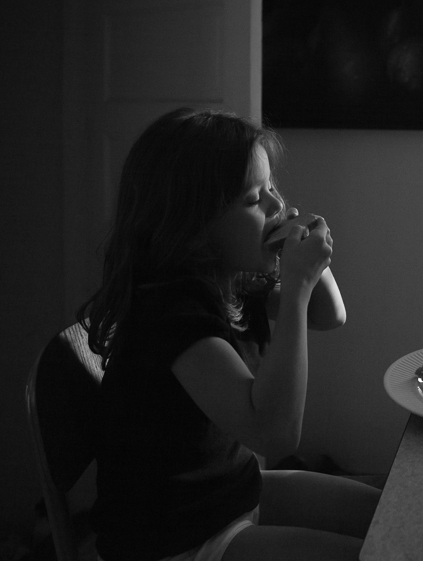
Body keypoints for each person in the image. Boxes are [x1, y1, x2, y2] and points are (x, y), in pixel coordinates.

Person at [77, 108, 380, 561]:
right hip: (176, 538)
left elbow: (329, 314)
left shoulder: (228, 279)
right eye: (255, 198)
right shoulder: (170, 311)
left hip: (231, 494)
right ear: (195, 223)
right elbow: (275, 435)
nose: (277, 207)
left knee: (391, 516)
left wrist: (311, 258)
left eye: (272, 188)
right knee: (376, 554)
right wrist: (296, 284)